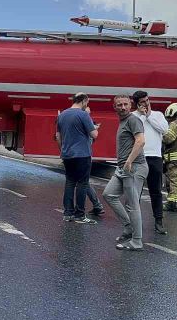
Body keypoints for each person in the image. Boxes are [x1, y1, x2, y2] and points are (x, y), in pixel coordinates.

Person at [103, 94, 148, 251]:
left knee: (132, 205)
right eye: (119, 105)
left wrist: (129, 161)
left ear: (131, 106)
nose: (123, 107)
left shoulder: (133, 120)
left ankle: (137, 241)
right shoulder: (123, 121)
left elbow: (141, 141)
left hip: (134, 167)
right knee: (108, 194)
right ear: (114, 107)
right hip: (123, 168)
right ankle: (129, 227)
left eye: (125, 104)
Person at [55, 92, 101, 224]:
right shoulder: (83, 114)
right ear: (84, 101)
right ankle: (80, 214)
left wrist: (63, 151)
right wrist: (95, 128)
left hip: (67, 154)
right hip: (82, 154)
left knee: (69, 182)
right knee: (82, 183)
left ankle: (68, 213)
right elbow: (94, 135)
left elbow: (58, 136)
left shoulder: (62, 114)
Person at [132, 91, 169, 235]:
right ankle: (134, 222)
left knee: (156, 191)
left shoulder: (158, 115)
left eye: (147, 100)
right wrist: (141, 116)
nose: (146, 103)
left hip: (155, 157)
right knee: (136, 192)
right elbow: (135, 131)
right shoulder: (134, 117)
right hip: (139, 157)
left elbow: (164, 130)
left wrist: (148, 116)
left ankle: (158, 221)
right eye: (142, 102)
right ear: (137, 104)